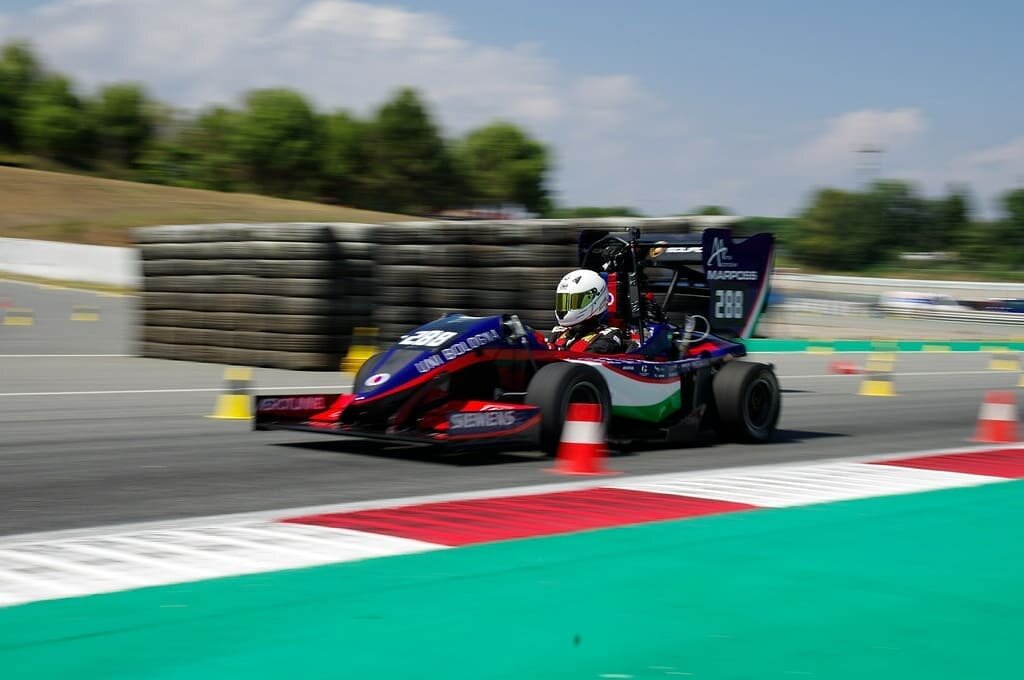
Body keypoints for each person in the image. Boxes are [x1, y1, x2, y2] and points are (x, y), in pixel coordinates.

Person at [547, 269, 628, 353]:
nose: (566, 307)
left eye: (575, 302)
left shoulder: (609, 334)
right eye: (563, 301)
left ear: (594, 299)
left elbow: (590, 357)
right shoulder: (559, 332)